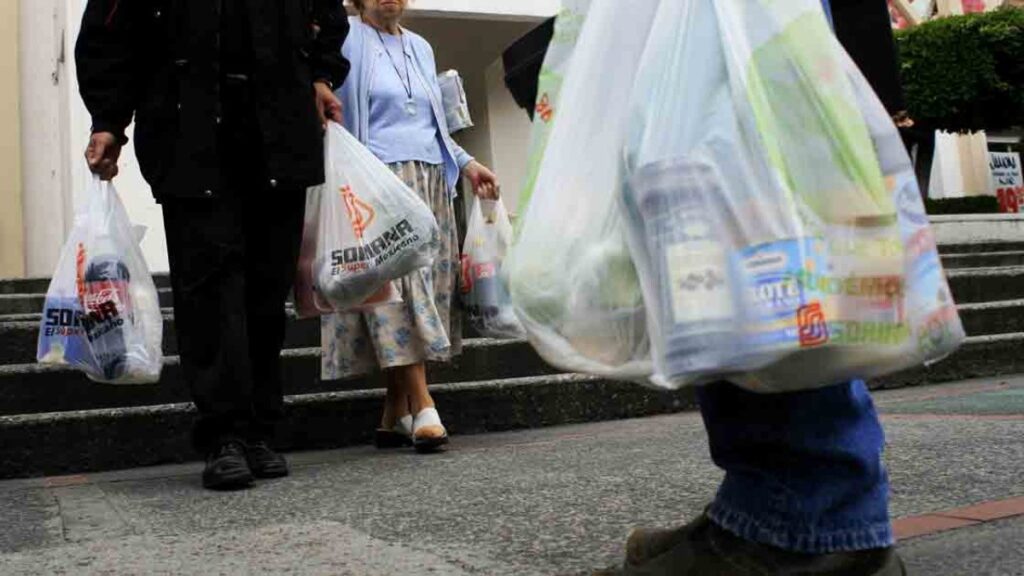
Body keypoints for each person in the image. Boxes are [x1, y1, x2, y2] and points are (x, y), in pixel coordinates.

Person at [76, 0, 350, 490]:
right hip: (191, 135)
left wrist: (321, 75)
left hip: (279, 133)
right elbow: (111, 33)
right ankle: (224, 434)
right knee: (208, 288)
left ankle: (259, 430)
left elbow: (328, 16)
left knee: (265, 291)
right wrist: (109, 120)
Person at [322, 0, 500, 452]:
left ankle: (394, 412)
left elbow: (433, 124)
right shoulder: (345, 37)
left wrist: (467, 161)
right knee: (400, 289)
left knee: (430, 289)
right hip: (378, 181)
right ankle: (423, 405)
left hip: (431, 181)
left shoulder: (420, 46)